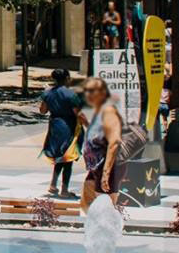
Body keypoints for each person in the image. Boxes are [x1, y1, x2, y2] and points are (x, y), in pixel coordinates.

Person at [77, 75, 125, 211]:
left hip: (108, 167)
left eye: (92, 91)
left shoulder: (108, 111)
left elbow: (114, 142)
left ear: (103, 92)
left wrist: (106, 173)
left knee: (105, 209)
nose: (88, 94)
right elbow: (99, 136)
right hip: (96, 167)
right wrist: (86, 124)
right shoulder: (99, 110)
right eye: (87, 90)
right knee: (89, 205)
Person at [38, 67, 82, 197]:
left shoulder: (48, 93)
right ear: (67, 78)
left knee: (59, 157)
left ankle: (53, 185)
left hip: (54, 127)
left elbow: (42, 111)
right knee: (68, 157)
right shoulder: (70, 94)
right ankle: (64, 190)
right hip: (68, 127)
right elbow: (78, 114)